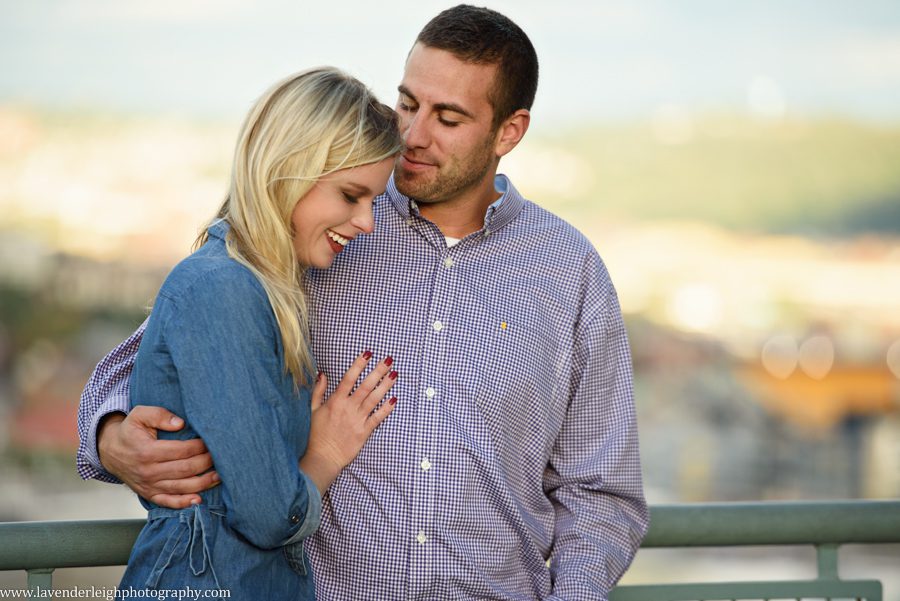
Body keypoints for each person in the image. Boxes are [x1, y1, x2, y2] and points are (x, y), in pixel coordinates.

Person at [78, 6, 650, 600]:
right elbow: (164, 348)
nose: (413, 135)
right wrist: (113, 435)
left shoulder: (570, 272)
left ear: (509, 131)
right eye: (408, 104)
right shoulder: (320, 228)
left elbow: (601, 496)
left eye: (447, 118)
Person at [110, 67, 403, 599]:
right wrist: (326, 451)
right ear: (289, 170)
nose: (367, 223)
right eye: (351, 195)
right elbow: (269, 515)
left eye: (373, 201)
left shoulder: (266, 288)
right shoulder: (223, 287)